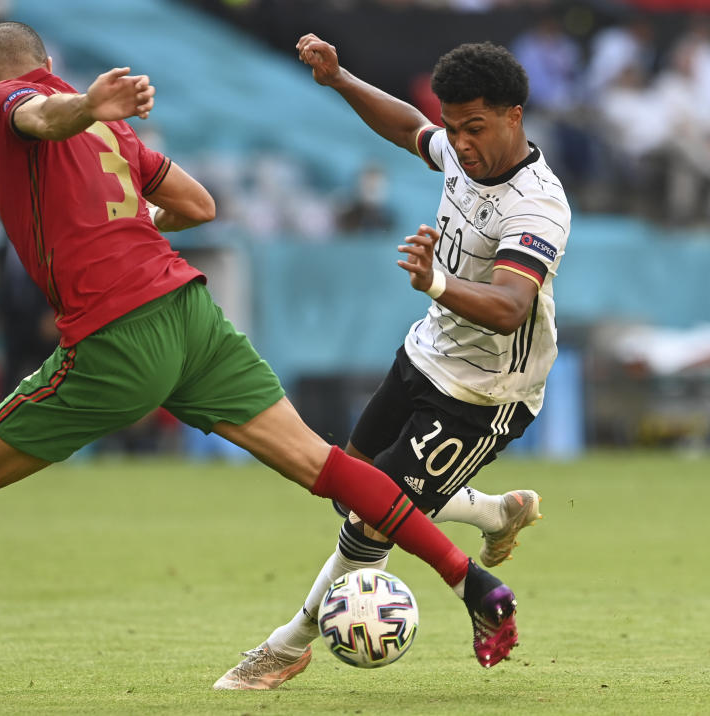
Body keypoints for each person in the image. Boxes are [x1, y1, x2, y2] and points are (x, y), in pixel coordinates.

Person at [0, 22, 517, 677]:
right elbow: (199, 205)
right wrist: (120, 199)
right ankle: (470, 580)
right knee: (326, 466)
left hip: (118, 335)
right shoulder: (114, 132)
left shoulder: (8, 100)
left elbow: (39, 119)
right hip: (191, 315)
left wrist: (81, 105)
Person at [213, 35, 570, 689]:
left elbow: (512, 306)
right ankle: (493, 513)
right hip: (425, 353)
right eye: (455, 126)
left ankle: (286, 645)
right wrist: (340, 78)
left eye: (476, 128)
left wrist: (436, 282)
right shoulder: (462, 152)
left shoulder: (537, 204)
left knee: (371, 519)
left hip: (486, 392)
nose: (460, 143)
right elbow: (410, 128)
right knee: (357, 483)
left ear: (515, 116)